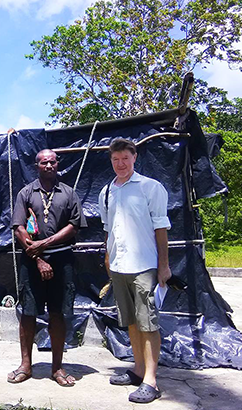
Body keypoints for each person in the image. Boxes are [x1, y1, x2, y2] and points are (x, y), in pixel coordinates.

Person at [98, 138, 172, 404]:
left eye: (125, 159)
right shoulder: (106, 191)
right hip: (119, 267)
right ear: (111, 160)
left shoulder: (150, 188)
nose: (121, 164)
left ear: (134, 158)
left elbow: (161, 228)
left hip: (144, 266)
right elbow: (109, 230)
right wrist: (108, 258)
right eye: (116, 159)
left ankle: (151, 381)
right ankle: (138, 369)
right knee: (130, 321)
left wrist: (163, 265)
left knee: (148, 322)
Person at [7, 149, 87, 387]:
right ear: (37, 166)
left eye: (52, 161)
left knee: (57, 314)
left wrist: (46, 244)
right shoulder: (26, 193)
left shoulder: (68, 193)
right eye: (44, 162)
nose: (49, 165)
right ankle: (25, 365)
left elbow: (74, 226)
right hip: (32, 262)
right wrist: (39, 258)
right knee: (28, 313)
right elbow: (18, 227)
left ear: (57, 164)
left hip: (62, 262)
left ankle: (57, 368)